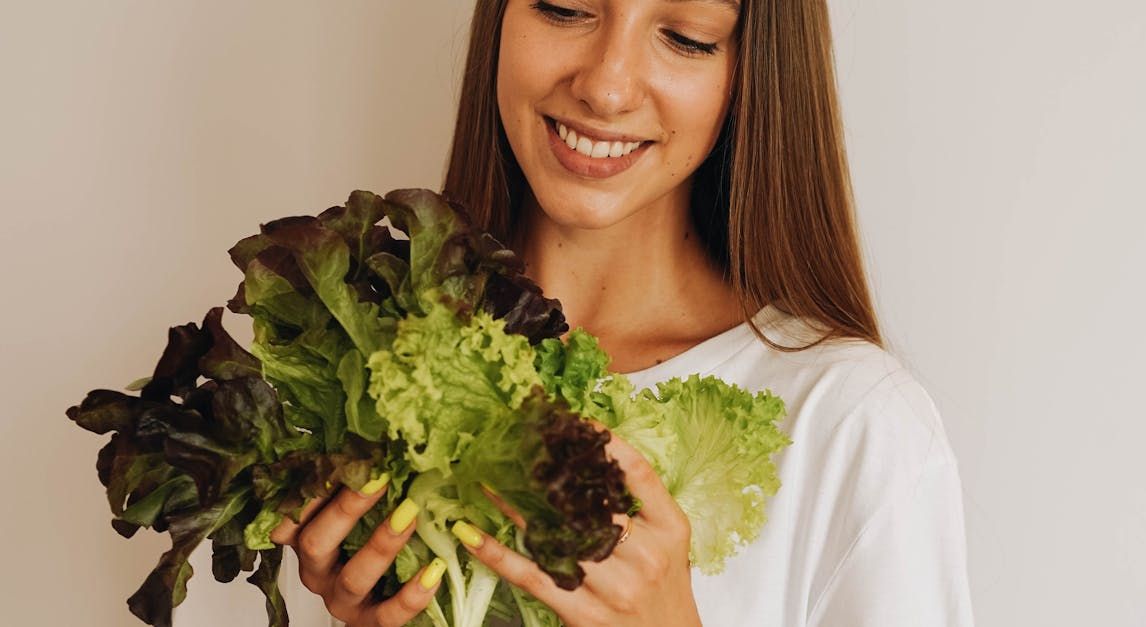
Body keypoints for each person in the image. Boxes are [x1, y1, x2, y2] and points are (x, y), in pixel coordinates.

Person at [269, 1, 976, 625]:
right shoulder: (375, 371)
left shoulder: (851, 421)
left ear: (754, 69)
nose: (606, 87)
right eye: (563, 7)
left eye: (689, 37)